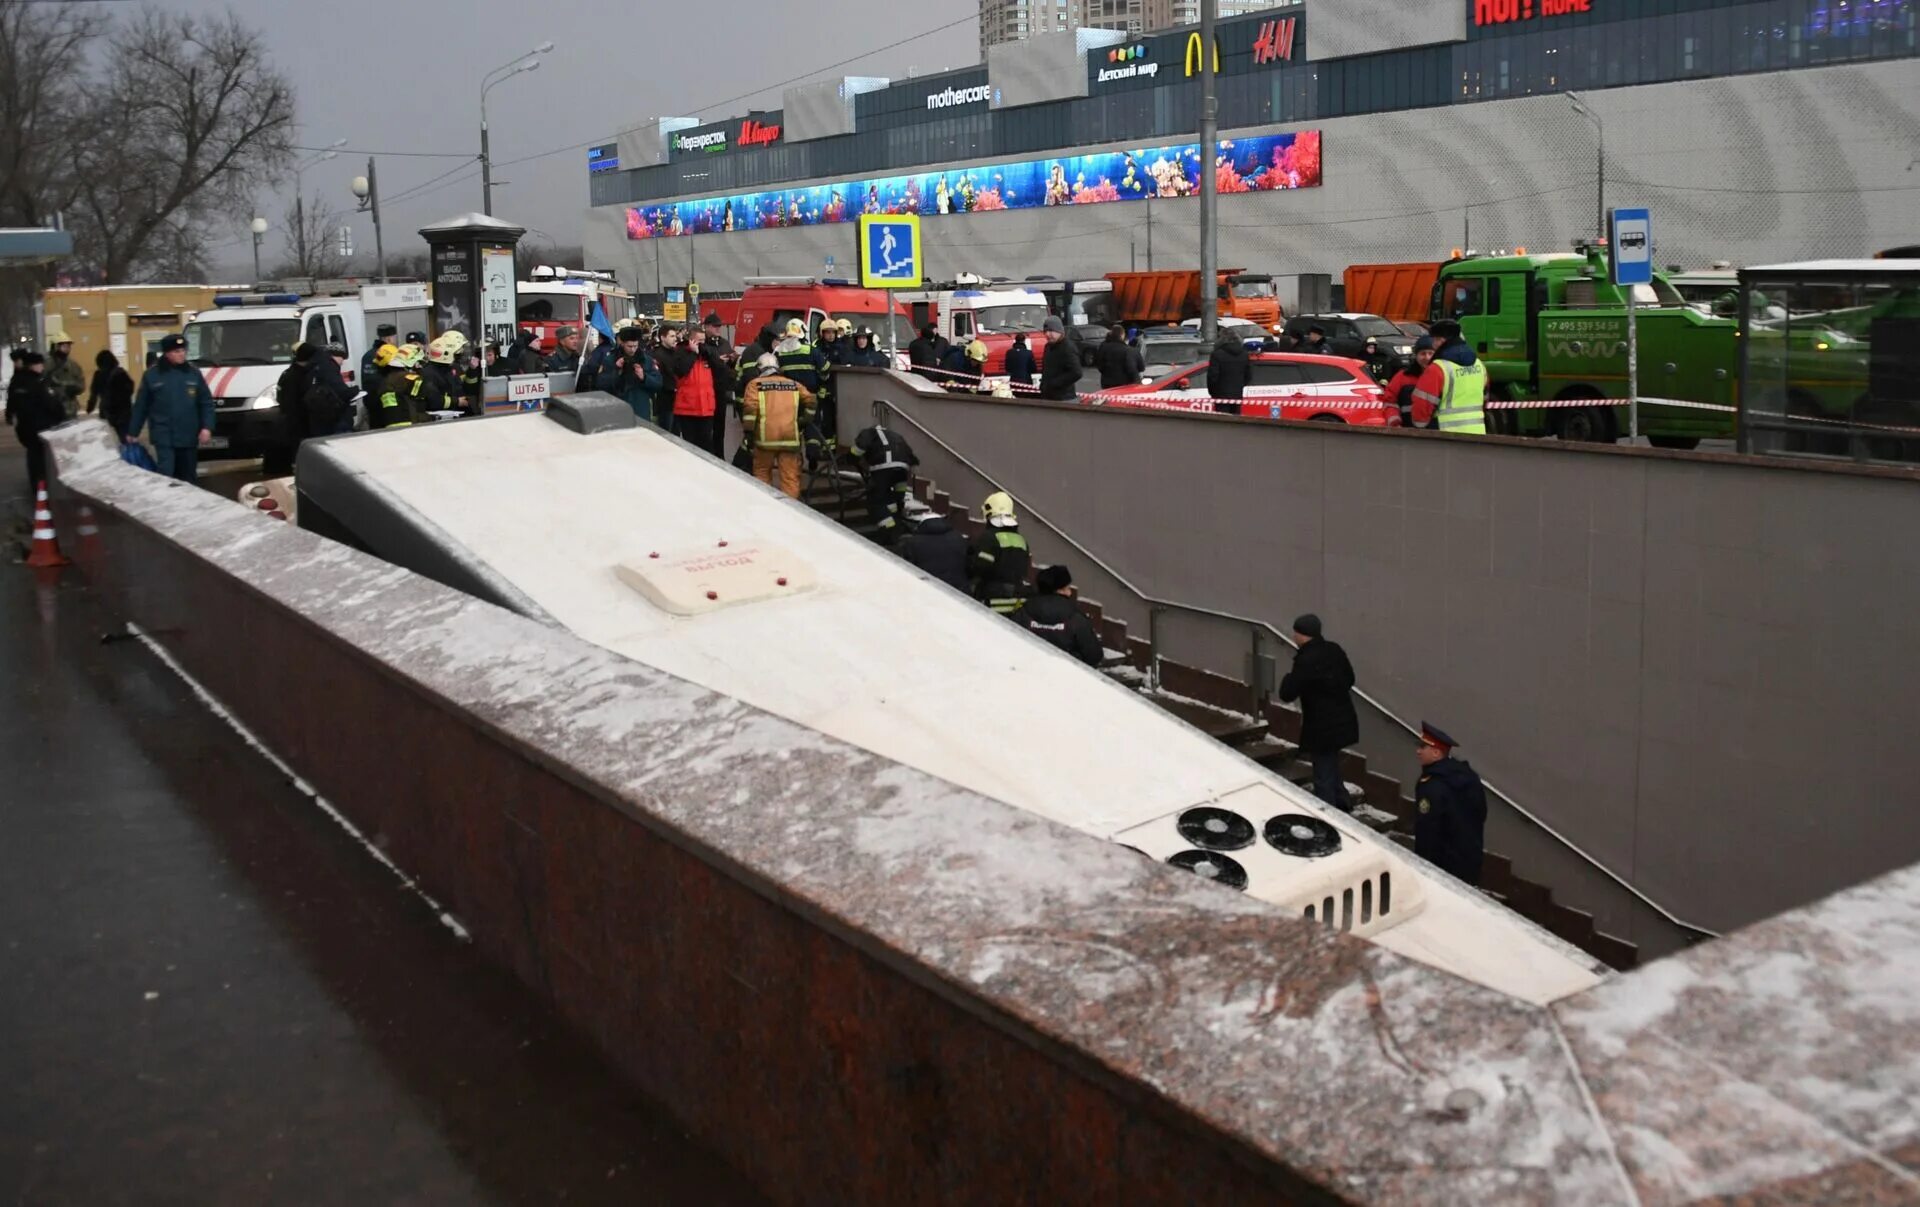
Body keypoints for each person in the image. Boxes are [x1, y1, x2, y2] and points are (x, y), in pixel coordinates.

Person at [1278, 613, 1360, 813]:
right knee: (1330, 764)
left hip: (1322, 726)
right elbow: (1350, 679)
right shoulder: (1334, 650)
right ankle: (1343, 803)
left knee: (1322, 773)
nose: (1294, 637)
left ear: (1302, 634)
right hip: (1343, 720)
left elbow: (1287, 693)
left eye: (1295, 633)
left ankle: (1330, 818)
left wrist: (1289, 678)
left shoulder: (1306, 659)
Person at [126, 333, 215, 482]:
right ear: (167, 353)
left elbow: (205, 402)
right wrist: (133, 431)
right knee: (166, 474)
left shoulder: (193, 374)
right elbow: (141, 406)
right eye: (177, 351)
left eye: (183, 350)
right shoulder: (152, 375)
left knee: (188, 476)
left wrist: (207, 427)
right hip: (164, 435)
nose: (182, 354)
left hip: (188, 435)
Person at [1413, 722, 1488, 886]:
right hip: (1468, 861)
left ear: (1435, 753)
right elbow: (1481, 813)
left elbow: (1427, 830)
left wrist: (1421, 865)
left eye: (1423, 747)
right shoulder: (1468, 777)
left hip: (1442, 867)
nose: (1418, 751)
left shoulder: (1432, 785)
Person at [739, 352, 814, 498]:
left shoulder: (754, 385)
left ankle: (767, 508)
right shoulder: (793, 384)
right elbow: (811, 400)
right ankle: (792, 511)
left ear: (760, 369)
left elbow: (750, 411)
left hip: (764, 441)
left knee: (762, 475)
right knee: (790, 479)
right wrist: (805, 420)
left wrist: (748, 433)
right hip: (790, 440)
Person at [1010, 564, 1102, 667]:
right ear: (1058, 590)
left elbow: (1010, 643)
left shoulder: (1023, 611)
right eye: (1067, 588)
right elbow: (1094, 656)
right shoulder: (1075, 617)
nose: (1070, 592)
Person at [663, 327, 730, 454]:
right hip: (687, 408)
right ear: (691, 340)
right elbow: (680, 371)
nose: (702, 343)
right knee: (691, 444)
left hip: (706, 407)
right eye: (699, 340)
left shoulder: (707, 353)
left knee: (706, 443)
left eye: (704, 340)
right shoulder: (680, 352)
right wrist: (693, 353)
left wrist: (706, 353)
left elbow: (720, 368)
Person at [852, 420, 919, 542]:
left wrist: (850, 458)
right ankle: (897, 518)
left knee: (876, 500)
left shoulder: (869, 432)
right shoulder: (896, 436)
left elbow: (858, 449)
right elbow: (912, 458)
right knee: (895, 497)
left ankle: (889, 528)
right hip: (902, 470)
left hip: (883, 469)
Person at [968, 491, 1031, 614]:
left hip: (992, 601)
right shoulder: (1021, 540)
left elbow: (980, 567)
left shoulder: (989, 538)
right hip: (1016, 603)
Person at [7, 352, 63, 488]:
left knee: (32, 455)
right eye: (40, 364)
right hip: (40, 427)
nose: (42, 367)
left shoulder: (16, 381)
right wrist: (61, 415)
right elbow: (50, 404)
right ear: (33, 365)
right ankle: (41, 486)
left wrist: (10, 416)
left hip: (24, 427)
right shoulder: (37, 383)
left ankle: (35, 484)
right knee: (41, 459)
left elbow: (11, 403)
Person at [1424, 319, 1487, 434]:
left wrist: (1420, 426)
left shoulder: (1438, 368)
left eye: (1435, 340)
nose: (1433, 345)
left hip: (1446, 435)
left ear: (1442, 341)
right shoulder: (1479, 364)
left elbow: (1423, 404)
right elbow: (1485, 396)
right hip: (1478, 433)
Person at [593, 326, 662, 425]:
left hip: (640, 410)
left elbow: (658, 383)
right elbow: (601, 384)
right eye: (629, 346)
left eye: (635, 346)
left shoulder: (646, 360)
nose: (633, 349)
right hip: (617, 410)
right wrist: (616, 370)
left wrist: (644, 377)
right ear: (622, 344)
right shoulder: (610, 360)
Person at [896, 506, 968, 591]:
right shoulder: (958, 537)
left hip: (930, 591)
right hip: (959, 591)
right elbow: (968, 564)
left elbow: (908, 570)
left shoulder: (913, 543)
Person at [371, 343, 441, 429]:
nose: (420, 367)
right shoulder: (407, 378)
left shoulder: (387, 379)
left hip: (388, 426)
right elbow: (430, 393)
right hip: (407, 427)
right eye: (419, 363)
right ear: (412, 363)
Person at [271, 342, 319, 464]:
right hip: (298, 421)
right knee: (298, 450)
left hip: (291, 419)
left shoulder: (288, 373)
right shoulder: (299, 376)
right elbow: (294, 401)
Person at [304, 342, 357, 436]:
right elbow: (343, 392)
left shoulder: (315, 365)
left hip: (317, 418)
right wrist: (356, 390)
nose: (342, 361)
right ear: (335, 355)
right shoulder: (329, 368)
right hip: (334, 417)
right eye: (342, 357)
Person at [85, 348, 135, 440]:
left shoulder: (98, 374)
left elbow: (94, 392)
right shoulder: (121, 373)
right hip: (123, 413)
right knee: (124, 439)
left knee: (108, 442)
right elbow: (130, 388)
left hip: (106, 412)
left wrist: (90, 407)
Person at [1389, 338, 1437, 428]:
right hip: (1407, 431)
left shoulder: (1442, 375)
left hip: (1437, 432)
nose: (1427, 357)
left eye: (1431, 353)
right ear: (1416, 356)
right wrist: (1394, 421)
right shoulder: (1402, 376)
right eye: (1423, 353)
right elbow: (1389, 402)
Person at [1205, 328, 1250, 415]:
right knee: (1236, 421)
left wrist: (1213, 392)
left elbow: (1212, 377)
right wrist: (1239, 386)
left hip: (1221, 396)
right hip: (1237, 395)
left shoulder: (1217, 354)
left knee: (1223, 423)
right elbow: (1248, 376)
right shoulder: (1244, 354)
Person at [1038, 316, 1081, 401]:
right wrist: (1043, 385)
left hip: (1064, 398)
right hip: (1048, 396)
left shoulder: (1067, 347)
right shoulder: (1048, 347)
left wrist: (1054, 383)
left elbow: (1076, 372)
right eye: (1045, 331)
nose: (1047, 334)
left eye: (1051, 331)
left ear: (1059, 331)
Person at [47, 336, 85, 418]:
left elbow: (81, 384)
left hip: (69, 407)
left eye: (68, 347)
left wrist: (74, 388)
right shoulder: (47, 364)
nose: (67, 349)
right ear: (56, 347)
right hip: (51, 406)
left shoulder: (73, 365)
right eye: (64, 346)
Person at [361, 323, 398, 390]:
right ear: (389, 339)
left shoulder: (367, 355)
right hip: (385, 397)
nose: (395, 340)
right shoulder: (390, 355)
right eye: (394, 337)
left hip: (368, 397)